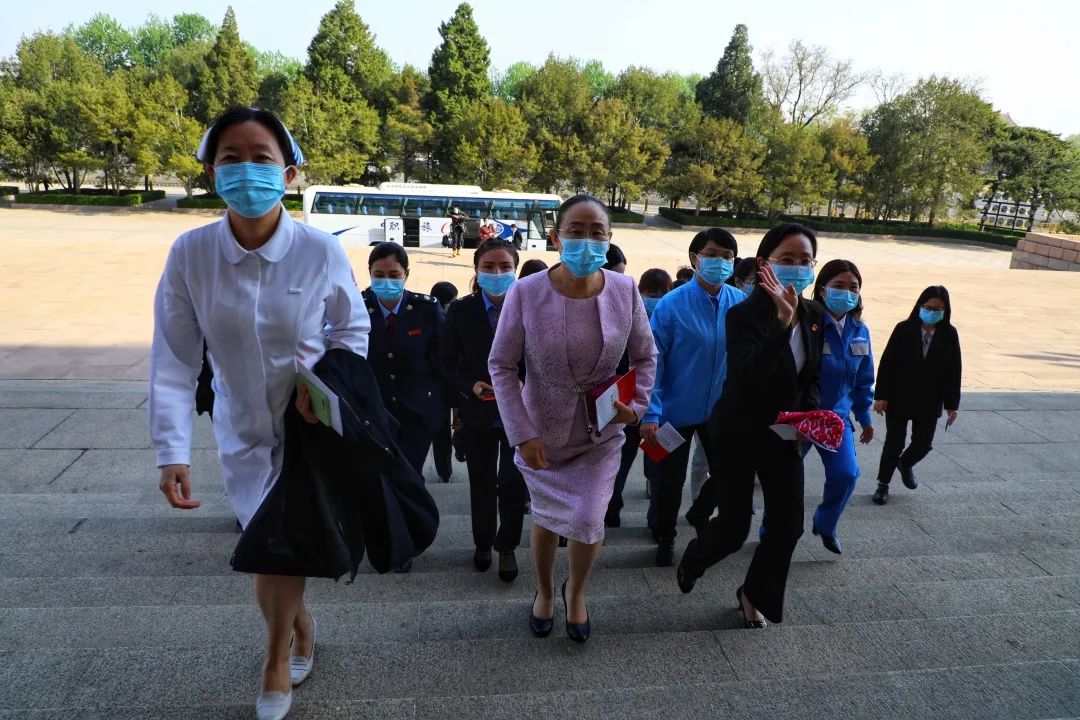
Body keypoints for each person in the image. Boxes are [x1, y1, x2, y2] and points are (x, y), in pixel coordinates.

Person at [150, 107, 369, 720]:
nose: (247, 170)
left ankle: (275, 658)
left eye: (262, 158)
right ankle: (300, 626)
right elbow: (174, 357)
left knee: (279, 546)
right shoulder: (191, 254)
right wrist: (171, 450)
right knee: (269, 540)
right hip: (240, 430)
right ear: (211, 172)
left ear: (289, 173)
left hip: (306, 428)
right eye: (231, 159)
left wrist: (326, 387)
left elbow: (351, 329)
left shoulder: (319, 251)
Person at [488, 194, 657, 643]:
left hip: (601, 431)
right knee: (546, 518)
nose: (586, 241)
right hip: (540, 431)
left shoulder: (625, 290)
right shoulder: (526, 291)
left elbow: (645, 356)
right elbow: (501, 364)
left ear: (609, 238)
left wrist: (638, 405)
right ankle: (545, 590)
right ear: (556, 236)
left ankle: (576, 590)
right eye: (576, 232)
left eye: (597, 232)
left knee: (588, 518)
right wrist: (521, 433)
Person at [677, 223, 825, 630]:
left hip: (785, 436)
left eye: (805, 261)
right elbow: (747, 376)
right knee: (733, 527)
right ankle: (696, 557)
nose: (797, 268)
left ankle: (753, 594)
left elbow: (810, 377)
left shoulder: (815, 316)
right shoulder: (742, 315)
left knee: (788, 526)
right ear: (764, 265)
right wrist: (781, 324)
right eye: (786, 260)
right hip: (737, 433)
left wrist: (809, 417)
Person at [640, 228, 746, 566]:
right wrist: (651, 413)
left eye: (727, 257)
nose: (719, 262)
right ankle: (664, 534)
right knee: (667, 482)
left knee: (730, 472)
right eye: (712, 255)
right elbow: (653, 362)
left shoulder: (739, 302)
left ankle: (700, 512)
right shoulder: (671, 304)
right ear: (694, 258)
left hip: (720, 412)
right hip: (672, 412)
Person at [440, 239, 529, 582]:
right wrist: (469, 386)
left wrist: (524, 382)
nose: (497, 273)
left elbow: (544, 358)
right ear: (476, 270)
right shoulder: (460, 311)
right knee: (481, 482)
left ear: (515, 269)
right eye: (489, 267)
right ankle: (482, 542)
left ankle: (506, 546)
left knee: (512, 482)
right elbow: (446, 363)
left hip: (519, 412)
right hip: (478, 412)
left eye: (505, 267)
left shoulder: (530, 307)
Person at [797, 259, 875, 553]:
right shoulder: (807, 324)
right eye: (839, 286)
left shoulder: (859, 330)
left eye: (853, 287)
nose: (847, 293)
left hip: (835, 419)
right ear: (822, 290)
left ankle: (826, 523)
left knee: (846, 474)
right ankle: (772, 531)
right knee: (785, 480)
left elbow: (864, 378)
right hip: (803, 418)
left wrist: (865, 417)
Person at [363, 243, 446, 481]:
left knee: (410, 476)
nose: (386, 281)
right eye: (379, 275)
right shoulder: (358, 308)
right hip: (374, 410)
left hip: (418, 411)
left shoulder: (426, 309)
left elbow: (442, 357)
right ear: (370, 274)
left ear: (406, 274)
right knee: (381, 477)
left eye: (394, 275)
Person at [872, 286, 962, 505]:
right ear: (920, 307)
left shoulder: (949, 334)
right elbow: (887, 362)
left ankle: (905, 463)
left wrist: (952, 404)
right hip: (899, 396)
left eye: (937, 309)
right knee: (894, 444)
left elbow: (954, 369)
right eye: (928, 307)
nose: (931, 312)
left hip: (930, 400)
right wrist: (881, 395)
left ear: (945, 310)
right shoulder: (903, 329)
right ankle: (883, 484)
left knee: (923, 444)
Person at [607, 268, 671, 526]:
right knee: (628, 462)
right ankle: (616, 510)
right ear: (641, 292)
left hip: (643, 406)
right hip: (636, 406)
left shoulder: (657, 317)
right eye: (650, 293)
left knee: (649, 464)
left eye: (660, 293)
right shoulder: (632, 317)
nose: (655, 299)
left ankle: (620, 513)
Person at [430, 281, 460, 483]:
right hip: (449, 382)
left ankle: (444, 470)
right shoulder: (446, 319)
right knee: (452, 425)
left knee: (440, 431)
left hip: (436, 384)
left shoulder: (430, 316)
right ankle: (447, 467)